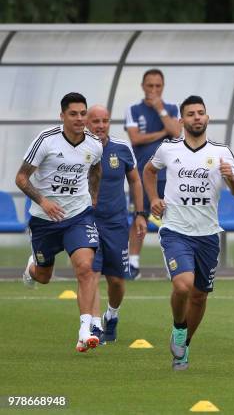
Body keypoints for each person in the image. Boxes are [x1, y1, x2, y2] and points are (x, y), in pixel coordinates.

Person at [143, 95, 234, 370]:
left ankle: (184, 347)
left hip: (208, 234)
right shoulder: (168, 149)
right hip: (176, 230)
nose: (197, 117)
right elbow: (149, 171)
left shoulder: (222, 152)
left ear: (207, 118)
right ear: (182, 120)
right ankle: (178, 327)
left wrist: (232, 178)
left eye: (201, 113)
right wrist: (153, 198)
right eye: (191, 114)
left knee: (199, 295)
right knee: (183, 285)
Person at [16, 92, 103, 353]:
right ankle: (32, 268)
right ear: (62, 115)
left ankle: (85, 329)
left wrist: (93, 198)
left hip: (79, 216)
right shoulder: (46, 141)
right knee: (44, 276)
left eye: (83, 113)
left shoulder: (94, 144)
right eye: (73, 114)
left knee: (85, 267)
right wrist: (43, 201)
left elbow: (96, 169)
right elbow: (21, 178)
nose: (79, 119)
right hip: (45, 220)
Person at [86, 105, 148, 344]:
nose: (100, 125)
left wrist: (140, 214)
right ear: (87, 123)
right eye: (96, 121)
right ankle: (93, 327)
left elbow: (135, 180)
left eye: (105, 120)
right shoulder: (79, 150)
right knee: (90, 273)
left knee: (116, 281)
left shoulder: (121, 149)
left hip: (116, 224)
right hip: (86, 222)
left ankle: (111, 315)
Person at [125, 68, 181, 279]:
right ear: (143, 86)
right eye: (150, 85)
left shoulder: (172, 108)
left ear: (163, 87)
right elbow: (135, 139)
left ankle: (175, 263)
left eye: (158, 86)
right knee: (139, 216)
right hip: (141, 176)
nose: (154, 90)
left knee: (172, 220)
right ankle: (133, 263)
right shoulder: (133, 109)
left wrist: (161, 110)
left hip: (170, 176)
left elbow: (176, 133)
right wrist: (162, 133)